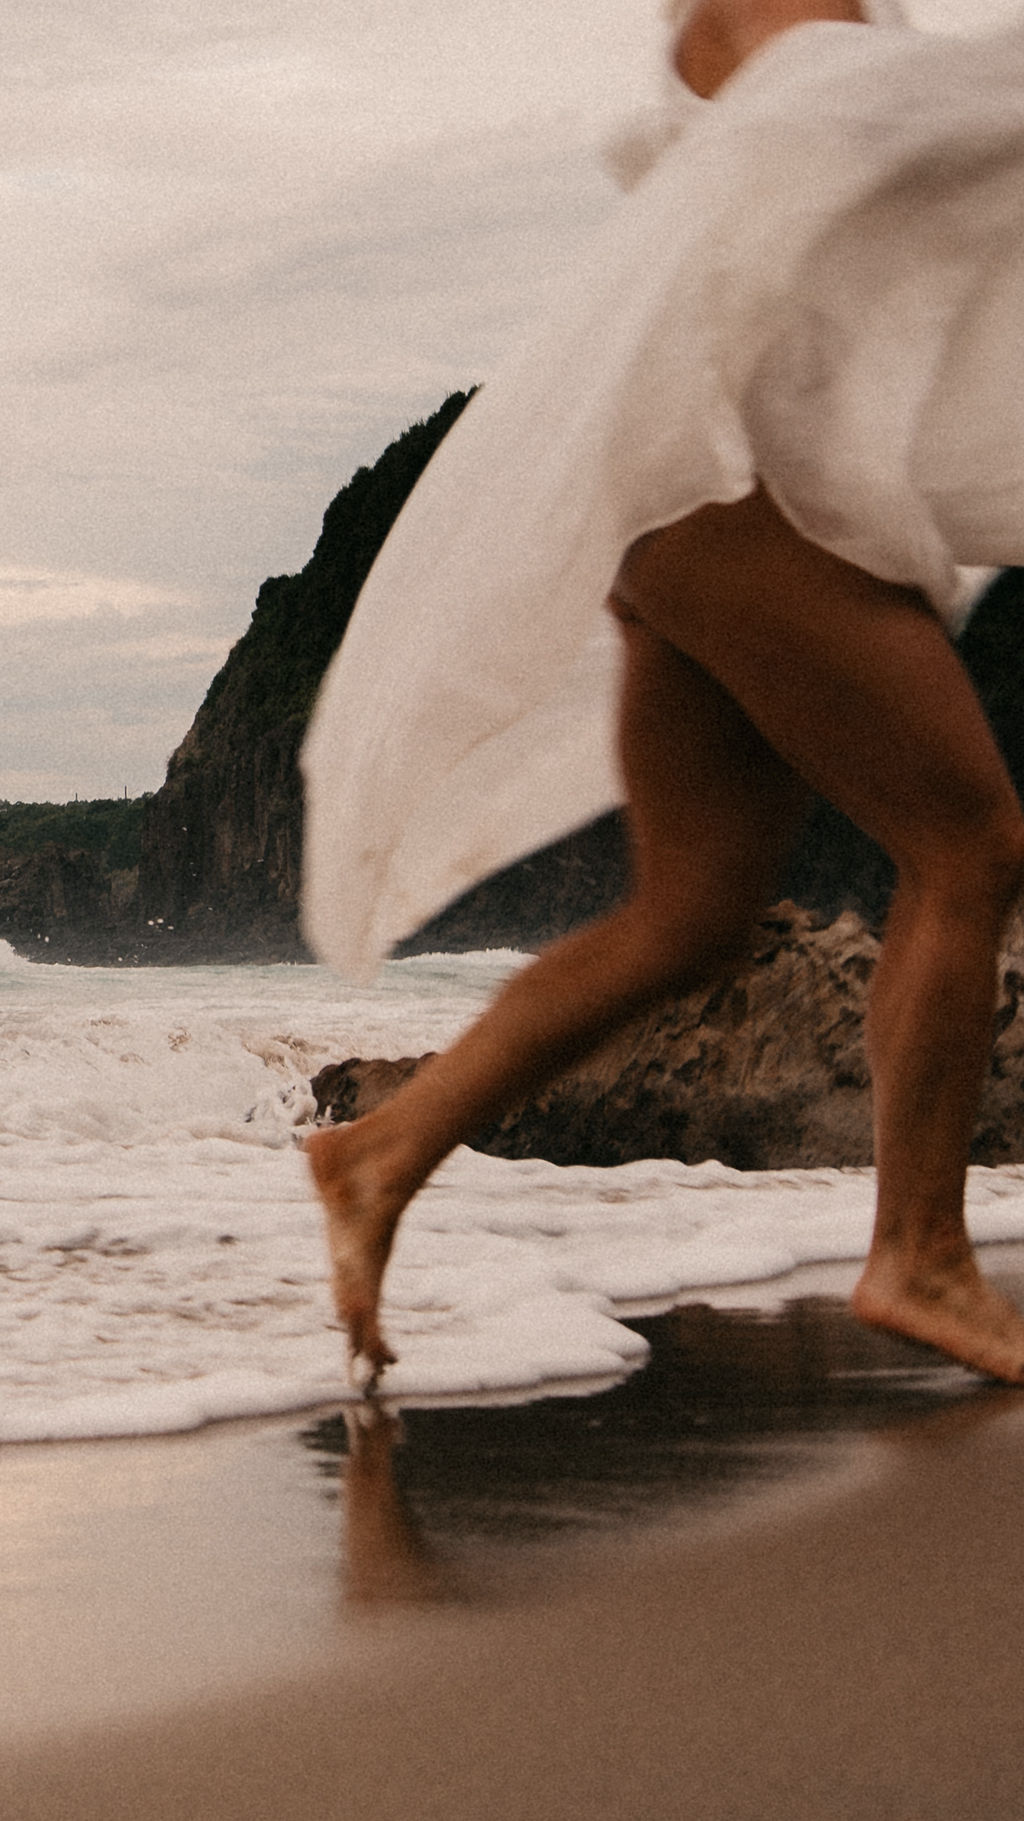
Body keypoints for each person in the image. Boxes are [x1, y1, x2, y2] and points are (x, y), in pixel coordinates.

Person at [305, 0, 1024, 1386]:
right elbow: (830, 112)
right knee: (970, 844)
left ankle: (380, 1153)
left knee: (690, 912)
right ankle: (919, 1257)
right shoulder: (782, 20)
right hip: (737, 500)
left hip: (691, 512)